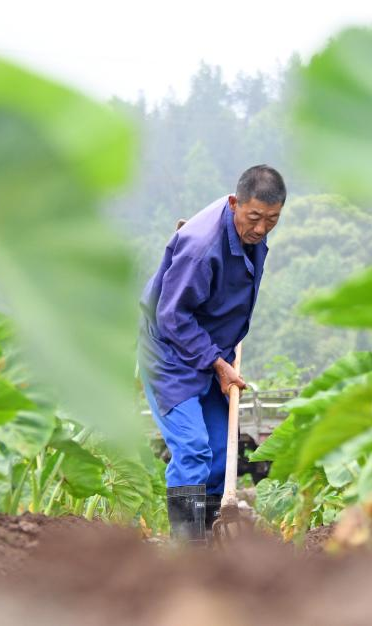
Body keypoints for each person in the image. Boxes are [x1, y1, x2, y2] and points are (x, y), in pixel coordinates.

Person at [138, 164, 286, 544]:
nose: (260, 228)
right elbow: (171, 316)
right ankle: (189, 550)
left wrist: (221, 354)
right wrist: (218, 365)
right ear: (235, 203)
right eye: (254, 217)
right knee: (193, 450)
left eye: (272, 220)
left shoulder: (247, 231)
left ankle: (209, 537)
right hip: (171, 356)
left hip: (210, 349)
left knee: (221, 452)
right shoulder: (202, 248)